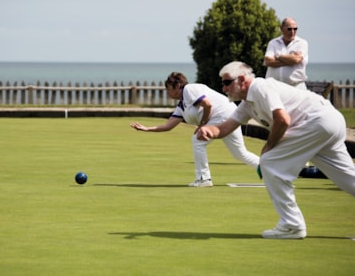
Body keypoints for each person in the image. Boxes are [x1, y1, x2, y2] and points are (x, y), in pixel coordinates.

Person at [197, 61, 355, 239]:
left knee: (269, 162)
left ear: (241, 79)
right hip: (331, 121)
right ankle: (291, 224)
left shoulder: (259, 87)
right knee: (347, 177)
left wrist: (268, 146)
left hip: (316, 123)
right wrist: (209, 130)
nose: (224, 89)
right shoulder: (247, 104)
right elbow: (225, 128)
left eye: (226, 83)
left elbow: (282, 120)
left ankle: (292, 225)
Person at [130, 72, 259, 187]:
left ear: (178, 86)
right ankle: (270, 169)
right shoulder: (182, 105)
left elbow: (208, 105)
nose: (167, 92)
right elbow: (168, 126)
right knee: (240, 153)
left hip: (223, 114)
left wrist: (202, 125)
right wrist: (146, 129)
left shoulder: (189, 89)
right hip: (229, 115)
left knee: (198, 140)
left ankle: (204, 179)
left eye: (168, 88)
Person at [264, 17, 308, 90]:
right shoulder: (273, 43)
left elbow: (296, 60)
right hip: (274, 88)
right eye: (289, 29)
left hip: (296, 88)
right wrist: (289, 60)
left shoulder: (302, 43)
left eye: (295, 29)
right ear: (281, 28)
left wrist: (278, 56)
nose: (292, 32)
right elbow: (268, 61)